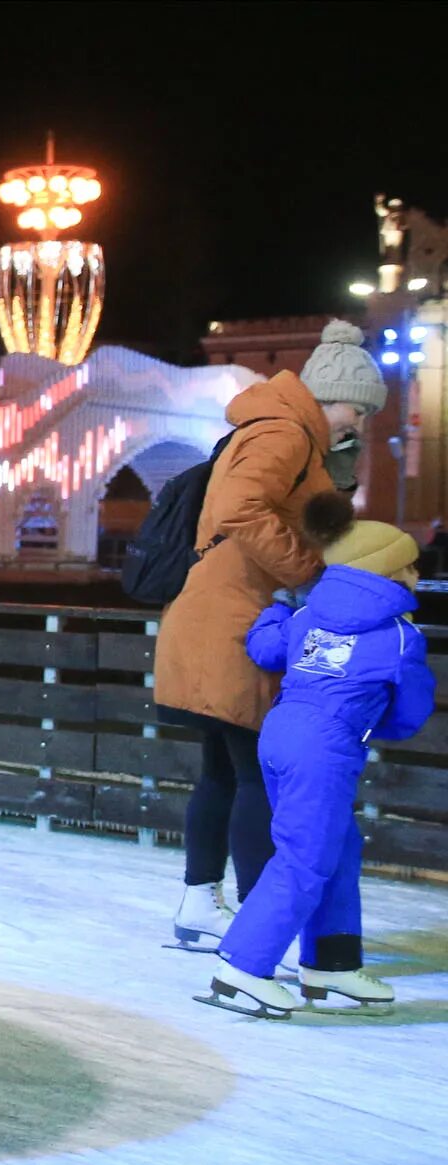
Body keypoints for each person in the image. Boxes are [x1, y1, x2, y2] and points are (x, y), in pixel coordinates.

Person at [152, 321, 376, 951]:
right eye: (356, 409)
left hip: (219, 616)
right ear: (330, 397)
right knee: (256, 774)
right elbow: (241, 508)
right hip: (234, 623)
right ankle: (257, 920)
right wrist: (309, 571)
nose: (358, 421)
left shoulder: (286, 432)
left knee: (224, 772)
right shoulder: (283, 432)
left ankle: (201, 904)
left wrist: (340, 471)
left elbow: (300, 513)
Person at [197, 516, 435, 1017]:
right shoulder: (399, 638)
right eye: (410, 564)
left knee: (337, 846)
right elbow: (409, 715)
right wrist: (363, 727)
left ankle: (333, 963)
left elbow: (264, 648)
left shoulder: (308, 617)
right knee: (304, 856)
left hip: (281, 734)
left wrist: (277, 609)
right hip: (325, 748)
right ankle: (242, 970)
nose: (417, 574)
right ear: (387, 571)